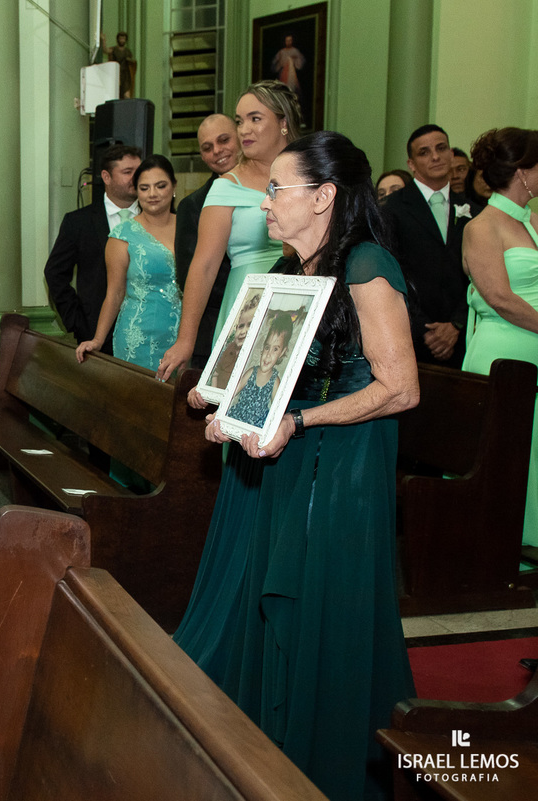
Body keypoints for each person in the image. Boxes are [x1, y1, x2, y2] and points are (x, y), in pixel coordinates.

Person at [176, 131, 418, 800]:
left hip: (338, 468)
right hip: (277, 461)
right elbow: (254, 374)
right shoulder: (286, 273)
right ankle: (259, 747)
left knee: (316, 611)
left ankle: (321, 755)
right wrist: (215, 395)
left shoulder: (366, 264)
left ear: (325, 196)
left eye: (277, 190)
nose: (266, 205)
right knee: (257, 602)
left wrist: (301, 420)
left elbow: (401, 387)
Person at [158, 80, 301, 383]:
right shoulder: (226, 187)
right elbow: (204, 266)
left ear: (283, 122)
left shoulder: (312, 175)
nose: (245, 129)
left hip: (304, 301)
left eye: (255, 119)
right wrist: (186, 340)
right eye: (240, 121)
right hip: (247, 308)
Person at [461, 127, 538, 547]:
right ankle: (503, 550)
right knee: (509, 459)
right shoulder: (483, 225)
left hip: (534, 351)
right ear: (524, 172)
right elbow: (499, 297)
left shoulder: (534, 222)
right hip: (505, 350)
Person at [76, 154, 180, 369]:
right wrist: (97, 339)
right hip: (139, 336)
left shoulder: (192, 229)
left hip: (184, 334)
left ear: (173, 186)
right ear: (136, 192)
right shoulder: (122, 234)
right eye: (144, 188)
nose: (153, 194)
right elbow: (115, 293)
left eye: (160, 186)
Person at [382, 124, 471, 366]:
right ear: (411, 164)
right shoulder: (392, 209)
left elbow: (479, 274)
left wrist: (456, 324)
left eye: (441, 148)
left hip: (463, 336)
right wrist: (425, 328)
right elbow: (390, 271)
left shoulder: (473, 209)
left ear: (451, 154)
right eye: (424, 152)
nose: (434, 156)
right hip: (411, 334)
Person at [44, 144, 142, 354]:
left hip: (148, 329)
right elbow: (54, 273)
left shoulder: (158, 218)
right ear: (106, 177)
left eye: (139, 171)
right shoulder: (78, 222)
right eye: (127, 172)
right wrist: (78, 321)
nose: (137, 178)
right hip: (96, 334)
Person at [175, 114, 241, 368]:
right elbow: (190, 275)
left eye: (224, 140)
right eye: (207, 148)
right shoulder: (193, 206)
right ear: (202, 157)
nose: (217, 151)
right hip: (217, 327)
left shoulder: (273, 189)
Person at [226, 311, 292, 427]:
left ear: (282, 352)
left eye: (275, 349)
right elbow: (231, 392)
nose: (268, 355)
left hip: (257, 426)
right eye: (267, 347)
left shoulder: (275, 381)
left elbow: (277, 411)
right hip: (238, 417)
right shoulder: (252, 372)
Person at [205, 289, 262, 390]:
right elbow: (215, 374)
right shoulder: (229, 348)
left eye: (250, 325)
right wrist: (213, 391)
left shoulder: (255, 354)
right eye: (241, 326)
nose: (243, 331)